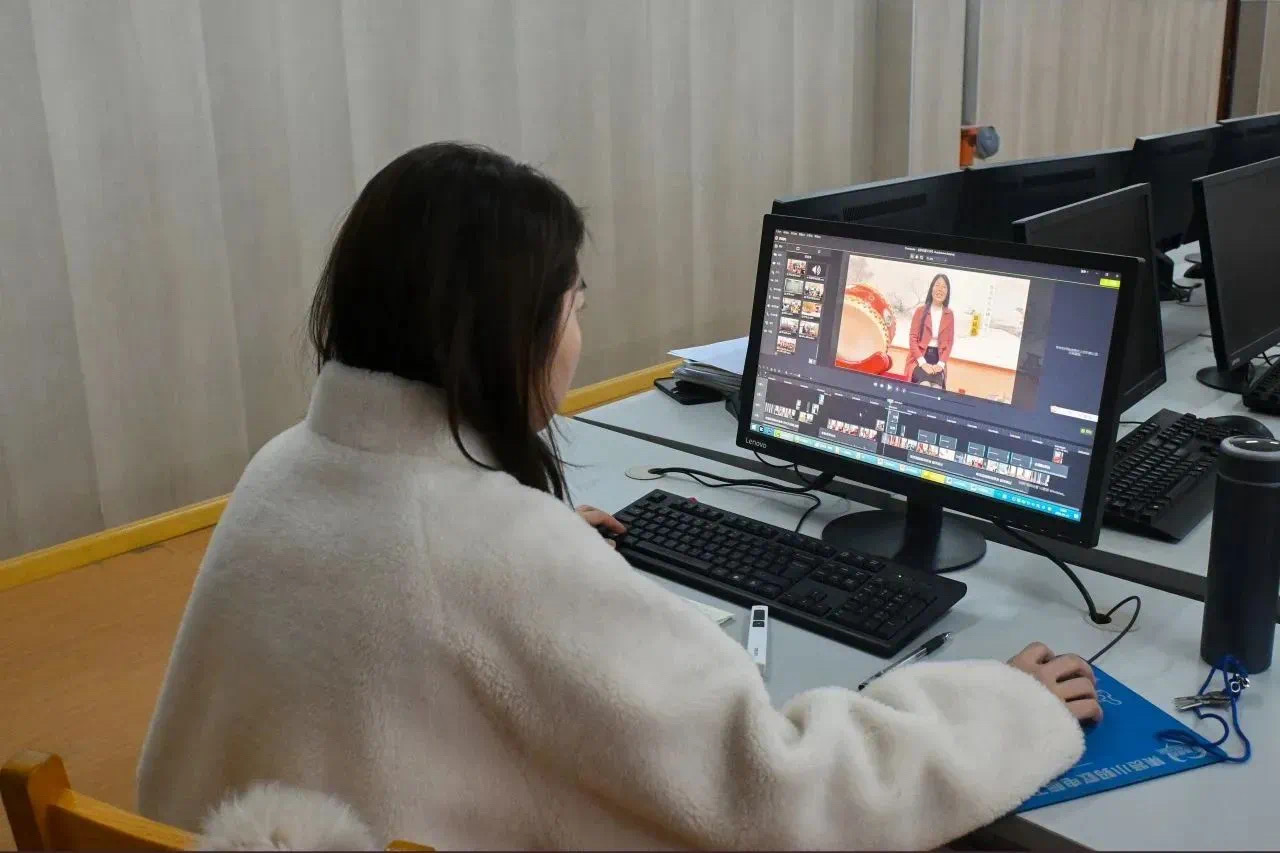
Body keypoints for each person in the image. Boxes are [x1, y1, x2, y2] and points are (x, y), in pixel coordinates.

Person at [137, 142, 1099, 850]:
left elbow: (412, 591)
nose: (577, 335)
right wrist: (1002, 708)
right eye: (576, 308)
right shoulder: (499, 555)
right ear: (508, 338)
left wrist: (533, 547)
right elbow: (774, 790)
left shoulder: (282, 470)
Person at [909, 273, 956, 389]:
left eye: (944, 287)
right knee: (925, 386)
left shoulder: (949, 314)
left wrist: (941, 364)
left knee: (936, 388)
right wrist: (922, 363)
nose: (940, 289)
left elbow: (949, 343)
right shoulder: (920, 311)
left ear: (947, 292)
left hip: (938, 359)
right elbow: (912, 339)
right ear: (932, 288)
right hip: (920, 358)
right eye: (937, 285)